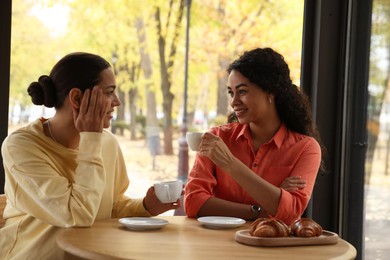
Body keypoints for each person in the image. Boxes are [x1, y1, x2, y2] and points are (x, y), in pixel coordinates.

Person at [0, 52, 180, 259]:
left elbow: (107, 208)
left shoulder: (107, 143)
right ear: (77, 98)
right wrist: (91, 138)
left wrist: (146, 207)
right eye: (109, 92)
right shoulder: (21, 146)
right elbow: (77, 214)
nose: (117, 102)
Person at [184, 47, 323, 225]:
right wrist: (262, 208)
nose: (234, 102)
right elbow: (193, 202)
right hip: (214, 246)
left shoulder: (306, 148)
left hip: (269, 248)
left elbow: (290, 212)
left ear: (271, 91)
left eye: (242, 91)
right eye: (230, 92)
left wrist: (230, 163)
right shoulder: (216, 138)